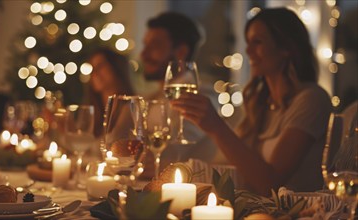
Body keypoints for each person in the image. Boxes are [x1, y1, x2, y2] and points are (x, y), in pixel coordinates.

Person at [170, 8, 331, 195]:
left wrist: (216, 127)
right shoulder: (257, 103)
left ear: (286, 48)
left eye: (257, 42)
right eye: (248, 42)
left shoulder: (312, 99)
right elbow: (226, 163)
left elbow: (270, 183)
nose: (247, 50)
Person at [140, 11, 218, 165]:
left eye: (154, 46)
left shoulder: (202, 99)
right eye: (145, 45)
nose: (143, 54)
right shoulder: (149, 99)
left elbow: (168, 158)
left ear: (181, 52)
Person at [83, 47, 134, 155]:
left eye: (100, 66)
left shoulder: (130, 107)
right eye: (92, 68)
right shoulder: (94, 108)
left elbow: (111, 145)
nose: (95, 73)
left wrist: (73, 137)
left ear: (115, 68)